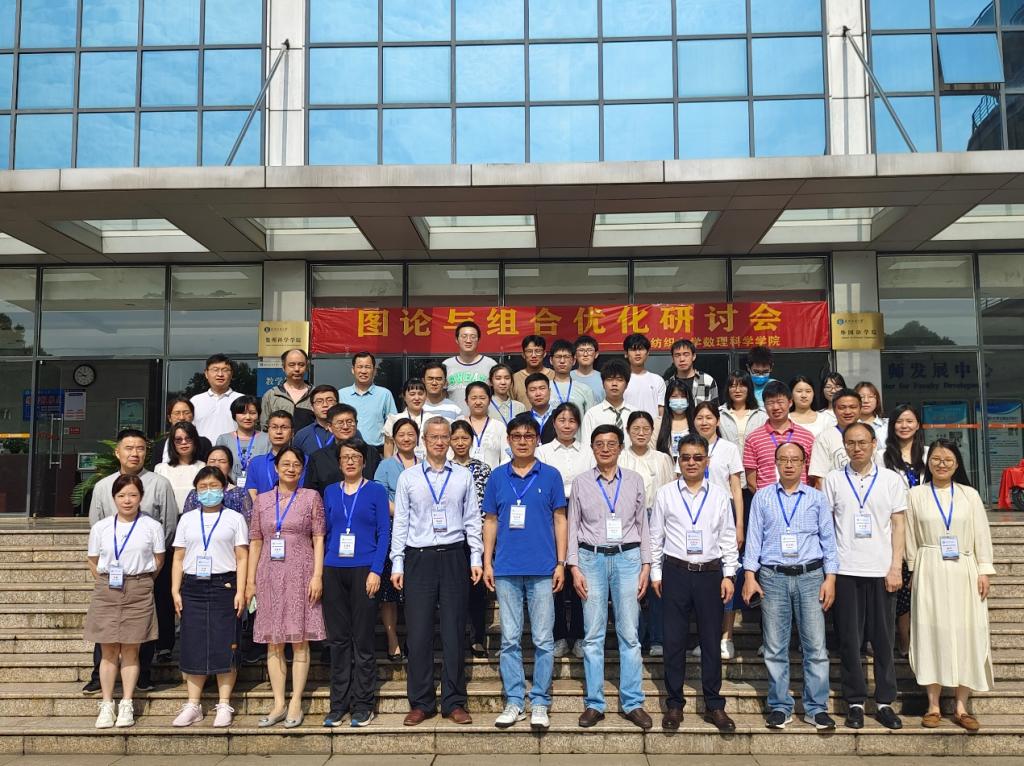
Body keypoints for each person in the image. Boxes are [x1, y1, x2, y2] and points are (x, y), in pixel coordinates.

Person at [390, 417, 484, 726]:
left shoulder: (463, 476)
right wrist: (398, 562)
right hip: (419, 557)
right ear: (424, 441)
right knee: (418, 633)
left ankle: (453, 701)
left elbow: (472, 519)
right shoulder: (409, 478)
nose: (440, 442)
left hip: (454, 555)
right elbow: (401, 522)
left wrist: (476, 557)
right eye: (434, 437)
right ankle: (421, 702)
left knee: (454, 631)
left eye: (445, 437)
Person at [742, 442, 839, 731]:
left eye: (794, 459)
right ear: (775, 463)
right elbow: (754, 538)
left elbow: (828, 540)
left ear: (804, 463)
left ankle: (816, 708)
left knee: (816, 647)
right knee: (774, 646)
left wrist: (831, 578)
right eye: (783, 459)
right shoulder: (762, 497)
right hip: (773, 576)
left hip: (811, 576)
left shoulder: (816, 498)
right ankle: (779, 706)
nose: (788, 464)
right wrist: (749, 575)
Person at [483, 413, 567, 730]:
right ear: (508, 440)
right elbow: (490, 521)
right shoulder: (497, 477)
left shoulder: (551, 475)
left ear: (537, 440)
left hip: (543, 568)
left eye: (528, 436)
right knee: (510, 639)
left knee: (544, 639)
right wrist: (487, 561)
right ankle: (515, 701)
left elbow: (560, 520)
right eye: (516, 436)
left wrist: (561, 562)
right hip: (506, 568)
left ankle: (541, 701)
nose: (522, 441)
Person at [650, 434, 738, 733]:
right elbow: (655, 536)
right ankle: (674, 704)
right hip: (675, 572)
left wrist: (729, 574)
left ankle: (714, 704)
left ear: (707, 461)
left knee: (711, 641)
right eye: (685, 457)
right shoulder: (665, 494)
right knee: (673, 641)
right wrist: (656, 574)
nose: (691, 462)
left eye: (697, 457)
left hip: (710, 574)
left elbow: (728, 537)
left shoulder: (719, 495)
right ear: (678, 460)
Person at [568, 424, 653, 730]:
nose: (605, 449)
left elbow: (643, 525)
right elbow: (573, 525)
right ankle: (594, 703)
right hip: (590, 558)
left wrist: (646, 565)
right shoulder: (580, 482)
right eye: (599, 444)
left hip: (628, 558)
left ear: (620, 447)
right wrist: (573, 566)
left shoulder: (634, 480)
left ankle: (632, 702)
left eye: (611, 444)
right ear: (592, 448)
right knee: (592, 635)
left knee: (629, 633)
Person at [906, 438, 995, 732]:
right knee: (930, 632)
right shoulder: (916, 495)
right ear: (928, 462)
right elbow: (910, 536)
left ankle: (961, 706)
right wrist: (912, 568)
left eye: (948, 460)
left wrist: (984, 570)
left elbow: (981, 534)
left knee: (967, 632)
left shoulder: (970, 495)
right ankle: (933, 705)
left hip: (964, 569)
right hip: (929, 567)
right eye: (936, 459)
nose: (941, 464)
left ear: (957, 464)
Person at [823, 422, 905, 731]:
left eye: (862, 442)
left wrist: (896, 566)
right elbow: (826, 527)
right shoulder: (833, 479)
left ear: (874, 444)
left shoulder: (891, 480)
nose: (856, 448)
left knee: (883, 640)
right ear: (844, 446)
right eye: (850, 443)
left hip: (881, 570)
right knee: (849, 640)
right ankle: (855, 702)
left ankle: (884, 702)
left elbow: (898, 525)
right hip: (846, 570)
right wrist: (830, 572)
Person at [85, 429, 177, 693]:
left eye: (140, 448)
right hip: (110, 574)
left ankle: (143, 673)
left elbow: (169, 525)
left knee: (142, 625)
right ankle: (99, 675)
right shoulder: (103, 486)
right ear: (117, 452)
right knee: (106, 627)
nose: (134, 453)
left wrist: (149, 570)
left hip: (145, 571)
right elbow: (96, 525)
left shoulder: (159, 484)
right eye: (128, 448)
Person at [245, 446, 326, 728]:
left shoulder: (311, 497)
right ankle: (279, 702)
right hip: (269, 574)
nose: (291, 469)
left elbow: (318, 538)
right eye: (286, 464)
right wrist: (250, 581)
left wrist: (318, 575)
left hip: (301, 572)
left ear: (302, 469)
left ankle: (296, 702)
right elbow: (256, 540)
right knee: (274, 641)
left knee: (299, 639)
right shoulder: (262, 500)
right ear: (276, 468)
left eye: (296, 465)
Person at [84, 474, 166, 729]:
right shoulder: (102, 527)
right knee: (108, 650)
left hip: (139, 588)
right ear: (114, 498)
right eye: (121, 495)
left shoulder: (152, 526)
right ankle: (107, 703)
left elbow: (159, 560)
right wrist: (109, 581)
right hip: (107, 588)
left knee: (131, 649)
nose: (127, 500)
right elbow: (93, 561)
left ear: (141, 497)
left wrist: (140, 581)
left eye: (132, 495)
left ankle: (127, 702)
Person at [170, 467, 249, 728]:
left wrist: (241, 590)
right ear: (196, 490)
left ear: (224, 488)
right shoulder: (187, 519)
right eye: (202, 487)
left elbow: (242, 557)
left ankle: (224, 703)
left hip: (224, 584)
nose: (208, 491)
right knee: (193, 643)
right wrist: (175, 589)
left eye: (214, 486)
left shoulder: (235, 518)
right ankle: (193, 704)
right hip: (193, 586)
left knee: (225, 643)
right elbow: (178, 557)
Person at [321, 438, 392, 728]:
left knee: (362, 640)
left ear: (364, 461)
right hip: (333, 569)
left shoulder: (375, 490)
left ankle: (363, 704)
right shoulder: (329, 491)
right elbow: (325, 531)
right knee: (338, 640)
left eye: (355, 456)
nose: (350, 461)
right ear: (339, 462)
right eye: (345, 457)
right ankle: (338, 705)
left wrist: (377, 570)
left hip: (364, 568)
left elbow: (384, 532)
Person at [691, 401, 746, 660]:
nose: (704, 422)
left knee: (729, 575)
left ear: (718, 421)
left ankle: (727, 637)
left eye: (709, 417)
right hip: (696, 520)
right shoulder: (689, 447)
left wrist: (739, 524)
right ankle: (706, 638)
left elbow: (736, 489)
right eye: (700, 417)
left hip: (724, 517)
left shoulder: (728, 449)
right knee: (704, 581)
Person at [536, 403, 591, 659]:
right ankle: (558, 635)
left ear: (578, 424)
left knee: (580, 576)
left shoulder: (588, 452)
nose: (567, 425)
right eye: (562, 420)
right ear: (554, 423)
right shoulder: (542, 452)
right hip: (551, 515)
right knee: (556, 578)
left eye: (572, 420)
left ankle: (579, 635)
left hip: (583, 515)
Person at [619, 411, 674, 658]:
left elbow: (671, 490)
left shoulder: (662, 459)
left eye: (646, 429)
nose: (641, 433)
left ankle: (658, 637)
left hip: (659, 519)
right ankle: (635, 636)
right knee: (632, 581)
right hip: (628, 521)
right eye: (636, 429)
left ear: (652, 431)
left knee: (657, 580)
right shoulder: (621, 457)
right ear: (628, 431)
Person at [373, 418, 421, 661]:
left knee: (415, 590)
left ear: (418, 437)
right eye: (401, 434)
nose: (406, 438)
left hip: (420, 532)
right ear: (394, 438)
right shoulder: (385, 465)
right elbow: (380, 497)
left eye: (410, 434)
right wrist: (405, 513)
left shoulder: (424, 464)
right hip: (393, 529)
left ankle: (414, 638)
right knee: (389, 592)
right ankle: (393, 641)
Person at [883, 404, 928, 656]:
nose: (904, 425)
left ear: (918, 424)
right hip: (895, 525)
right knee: (901, 587)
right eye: (899, 421)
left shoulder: (930, 454)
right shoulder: (882, 456)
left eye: (909, 421)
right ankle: (904, 640)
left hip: (925, 525)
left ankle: (922, 640)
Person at [449, 420, 493, 659]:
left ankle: (477, 637)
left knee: (477, 590)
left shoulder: (484, 469)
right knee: (453, 590)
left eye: (464, 438)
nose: (460, 443)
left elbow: (488, 506)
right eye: (455, 438)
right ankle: (454, 636)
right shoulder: (444, 468)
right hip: (451, 537)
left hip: (477, 536)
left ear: (472, 441)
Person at [742, 380, 815, 491]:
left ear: (790, 402)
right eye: (770, 403)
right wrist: (765, 498)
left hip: (801, 499)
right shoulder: (753, 439)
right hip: (767, 500)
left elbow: (812, 475)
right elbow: (751, 481)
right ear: (764, 405)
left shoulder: (807, 437)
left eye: (780, 402)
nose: (776, 407)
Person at [305, 404, 382, 493]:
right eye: (340, 423)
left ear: (356, 424)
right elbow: (311, 493)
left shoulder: (371, 452)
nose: (345, 427)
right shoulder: (318, 458)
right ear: (329, 427)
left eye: (349, 422)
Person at [809, 388, 867, 487]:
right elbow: (819, 479)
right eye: (842, 407)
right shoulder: (824, 438)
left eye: (853, 407)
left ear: (860, 409)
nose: (847, 411)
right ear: (834, 410)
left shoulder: (869, 434)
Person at [339, 352, 397, 450]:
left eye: (367, 367)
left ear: (374, 370)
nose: (363, 371)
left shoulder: (384, 394)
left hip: (376, 450)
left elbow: (393, 424)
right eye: (360, 367)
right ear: (353, 370)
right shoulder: (341, 394)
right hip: (348, 450)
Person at [182, 446, 253, 523]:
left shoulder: (241, 493)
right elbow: (187, 521)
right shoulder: (195, 494)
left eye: (222, 461)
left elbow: (247, 523)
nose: (216, 465)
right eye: (212, 461)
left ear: (230, 466)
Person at [718, 371, 767, 481]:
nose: (737, 390)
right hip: (727, 476)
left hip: (755, 476)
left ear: (749, 388)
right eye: (733, 386)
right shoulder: (719, 414)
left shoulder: (762, 415)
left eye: (742, 385)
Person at [443, 320, 497, 416]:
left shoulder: (490, 365)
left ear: (478, 340)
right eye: (464, 336)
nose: (468, 340)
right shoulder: (447, 365)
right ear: (456, 340)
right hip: (454, 420)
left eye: (473, 337)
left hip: (483, 420)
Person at [215, 395, 270, 485]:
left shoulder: (267, 439)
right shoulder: (224, 440)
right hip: (229, 489)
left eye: (252, 413)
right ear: (234, 415)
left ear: (258, 415)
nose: (248, 417)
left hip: (259, 489)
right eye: (243, 413)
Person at [581, 359, 635, 448]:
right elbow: (586, 447)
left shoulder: (634, 414)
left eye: (619, 380)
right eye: (609, 379)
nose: (614, 384)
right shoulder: (592, 414)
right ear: (603, 384)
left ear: (626, 385)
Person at [190, 353, 243, 442]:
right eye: (215, 370)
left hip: (233, 450)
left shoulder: (241, 400)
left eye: (225, 370)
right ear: (206, 374)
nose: (220, 374)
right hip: (203, 450)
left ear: (231, 374)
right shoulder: (195, 401)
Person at [155, 421, 206, 512]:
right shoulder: (160, 469)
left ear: (195, 441)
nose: (184, 442)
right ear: (172, 443)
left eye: (188, 438)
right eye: (178, 440)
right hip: (168, 518)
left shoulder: (203, 467)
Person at [149, 397, 212, 468]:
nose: (182, 417)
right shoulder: (160, 446)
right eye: (177, 413)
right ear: (169, 418)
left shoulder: (204, 443)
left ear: (192, 416)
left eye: (186, 413)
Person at [260, 348, 314, 431]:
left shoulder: (315, 395)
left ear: (307, 367)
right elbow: (264, 428)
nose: (297, 369)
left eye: (301, 365)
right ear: (283, 367)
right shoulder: (271, 395)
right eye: (292, 365)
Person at [246, 410, 294, 503]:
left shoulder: (303, 461)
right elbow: (251, 494)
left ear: (292, 433)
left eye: (284, 427)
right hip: (261, 510)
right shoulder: (256, 463)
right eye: (274, 427)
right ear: (268, 431)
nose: (279, 432)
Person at [458, 381, 507, 469]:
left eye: (482, 398)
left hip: (492, 476)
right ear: (466, 401)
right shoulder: (458, 424)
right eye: (473, 398)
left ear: (489, 400)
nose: (478, 402)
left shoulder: (499, 427)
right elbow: (450, 455)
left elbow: (505, 458)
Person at [381, 378, 427, 458]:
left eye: (420, 394)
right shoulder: (394, 420)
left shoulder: (433, 419)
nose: (417, 398)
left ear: (426, 396)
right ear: (404, 397)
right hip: (400, 464)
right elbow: (388, 452)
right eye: (412, 394)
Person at [622, 333, 666, 418]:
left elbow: (661, 411)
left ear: (648, 353)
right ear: (626, 354)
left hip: (653, 426)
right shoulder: (620, 380)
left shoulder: (658, 380)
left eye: (641, 349)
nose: (637, 353)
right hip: (626, 426)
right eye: (633, 350)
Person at [665, 339, 719, 406]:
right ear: (673, 359)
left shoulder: (708, 381)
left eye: (686, 355)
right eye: (677, 355)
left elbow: (715, 409)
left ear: (693, 356)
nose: (682, 359)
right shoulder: (667, 384)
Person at [549, 338, 595, 415]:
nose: (562, 361)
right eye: (558, 357)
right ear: (551, 360)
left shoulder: (585, 389)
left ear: (573, 361)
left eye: (566, 357)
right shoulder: (544, 388)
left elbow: (590, 419)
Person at [293, 385, 340, 458]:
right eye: (319, 401)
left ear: (337, 404)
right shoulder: (301, 435)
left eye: (330, 400)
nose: (325, 405)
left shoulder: (348, 432)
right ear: (312, 407)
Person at [655, 379, 694, 465]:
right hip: (665, 470)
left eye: (683, 396)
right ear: (668, 399)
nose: (679, 400)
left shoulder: (696, 422)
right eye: (674, 396)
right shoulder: (657, 423)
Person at [512, 335, 555, 406]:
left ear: (544, 354)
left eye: (538, 351)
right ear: (523, 354)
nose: (534, 355)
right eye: (529, 351)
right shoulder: (514, 378)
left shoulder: (554, 376)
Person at [524, 373, 557, 444]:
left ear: (549, 391)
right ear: (527, 394)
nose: (538, 394)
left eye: (542, 388)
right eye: (532, 390)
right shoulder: (521, 419)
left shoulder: (560, 417)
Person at [855, 381, 888, 449]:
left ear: (877, 400)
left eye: (870, 396)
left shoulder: (887, 425)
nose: (866, 401)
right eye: (861, 397)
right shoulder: (849, 426)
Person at [571, 335, 604, 404]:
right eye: (581, 350)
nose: (585, 354)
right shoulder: (568, 377)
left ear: (596, 354)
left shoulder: (603, 378)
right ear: (575, 355)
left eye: (589, 350)